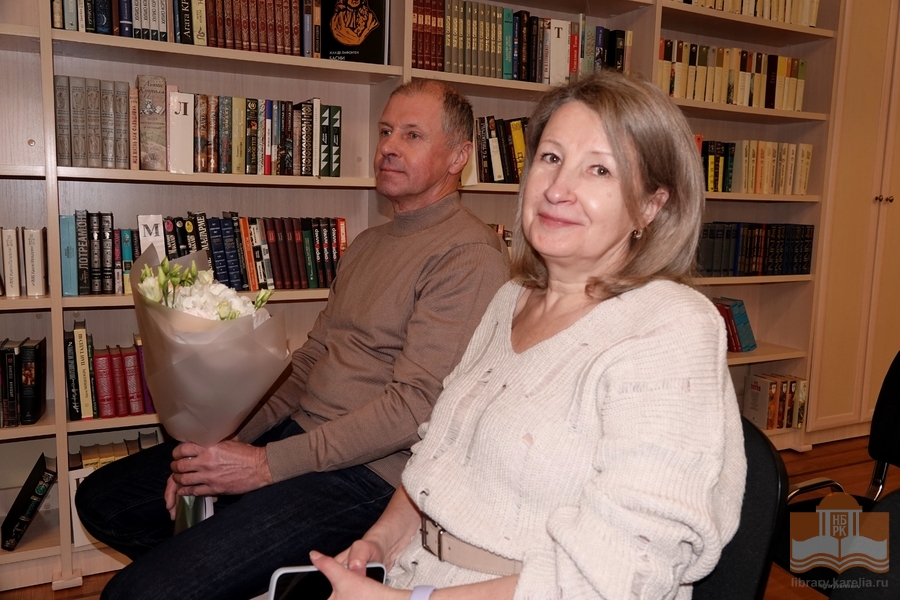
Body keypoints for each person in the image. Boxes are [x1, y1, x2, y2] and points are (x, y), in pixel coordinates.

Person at [309, 69, 747, 599]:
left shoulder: (670, 328)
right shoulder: (509, 299)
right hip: (415, 571)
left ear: (651, 205)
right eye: (551, 157)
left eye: (599, 169)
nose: (558, 189)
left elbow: (626, 570)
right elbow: (439, 453)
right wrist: (382, 539)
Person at [75, 79, 510, 600]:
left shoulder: (468, 255)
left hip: (368, 473)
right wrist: (219, 444)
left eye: (412, 135)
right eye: (385, 131)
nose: (389, 147)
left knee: (133, 594)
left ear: (459, 156)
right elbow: (310, 360)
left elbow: (414, 408)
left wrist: (263, 467)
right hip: (297, 436)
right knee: (102, 500)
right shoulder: (368, 244)